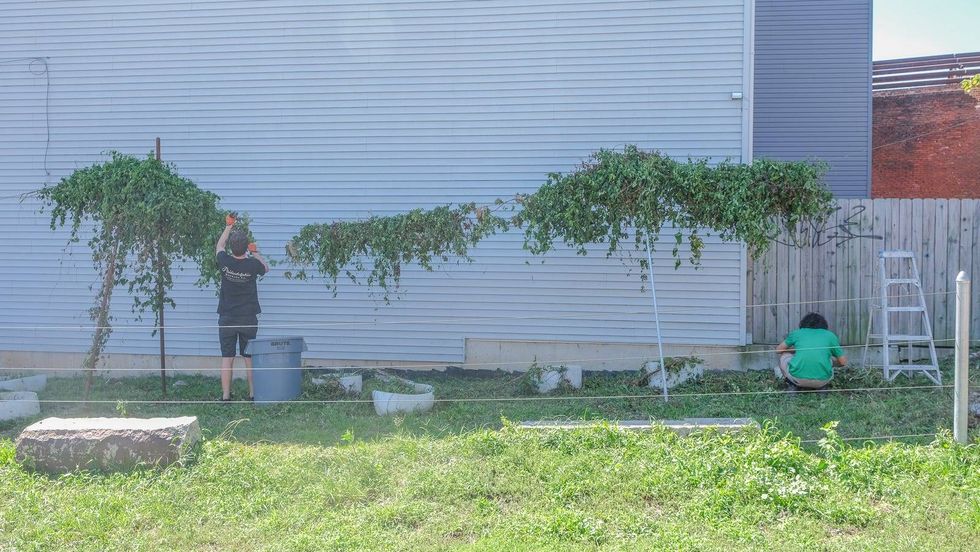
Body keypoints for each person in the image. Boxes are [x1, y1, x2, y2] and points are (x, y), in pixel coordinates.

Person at [215, 213, 269, 401]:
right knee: (249, 358)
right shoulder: (253, 264)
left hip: (227, 317)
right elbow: (266, 268)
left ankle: (226, 396)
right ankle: (253, 394)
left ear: (231, 247)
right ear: (245, 247)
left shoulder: (224, 261)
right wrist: (255, 252)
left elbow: (219, 246)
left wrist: (229, 226)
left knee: (227, 358)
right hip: (248, 318)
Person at [774, 312, 847, 391]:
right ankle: (822, 387)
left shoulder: (797, 333)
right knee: (829, 359)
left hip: (797, 379)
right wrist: (831, 364)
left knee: (784, 354)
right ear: (824, 325)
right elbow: (843, 362)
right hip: (823, 381)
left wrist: (796, 350)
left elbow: (778, 350)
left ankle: (791, 384)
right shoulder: (830, 335)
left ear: (803, 324)